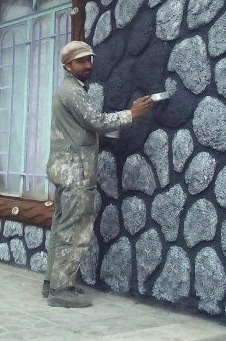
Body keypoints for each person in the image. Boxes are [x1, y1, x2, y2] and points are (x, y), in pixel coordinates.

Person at [43, 40, 154, 308]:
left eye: (90, 59)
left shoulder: (69, 89)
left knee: (62, 226)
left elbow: (87, 126)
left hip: (64, 167)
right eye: (81, 61)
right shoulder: (73, 91)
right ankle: (61, 289)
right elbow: (97, 121)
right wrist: (132, 113)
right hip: (75, 171)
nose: (88, 65)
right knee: (75, 229)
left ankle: (53, 282)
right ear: (68, 65)